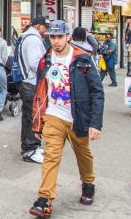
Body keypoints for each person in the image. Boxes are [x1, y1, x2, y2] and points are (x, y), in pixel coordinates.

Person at [28, 20, 104, 219]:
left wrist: (95, 123)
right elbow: (40, 91)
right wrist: (38, 119)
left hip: (78, 117)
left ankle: (88, 183)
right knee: (51, 156)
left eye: (59, 36)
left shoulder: (83, 59)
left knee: (83, 154)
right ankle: (44, 199)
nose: (56, 41)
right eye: (52, 37)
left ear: (68, 36)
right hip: (54, 115)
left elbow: (97, 92)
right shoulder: (45, 60)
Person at [20, 16, 49, 164]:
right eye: (45, 27)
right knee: (33, 116)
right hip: (31, 83)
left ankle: (31, 147)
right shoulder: (33, 40)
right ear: (38, 26)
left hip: (27, 82)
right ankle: (30, 150)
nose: (47, 31)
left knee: (29, 116)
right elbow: (34, 63)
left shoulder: (29, 37)